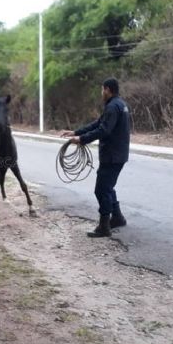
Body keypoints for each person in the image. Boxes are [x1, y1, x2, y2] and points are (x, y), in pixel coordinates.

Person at [61, 78, 130, 238]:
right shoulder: (119, 104)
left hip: (112, 156)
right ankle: (118, 218)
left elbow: (104, 130)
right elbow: (98, 123)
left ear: (107, 89)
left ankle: (104, 226)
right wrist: (77, 132)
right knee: (108, 187)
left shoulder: (113, 106)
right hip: (118, 154)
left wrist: (82, 140)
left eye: (102, 90)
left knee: (101, 190)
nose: (101, 93)